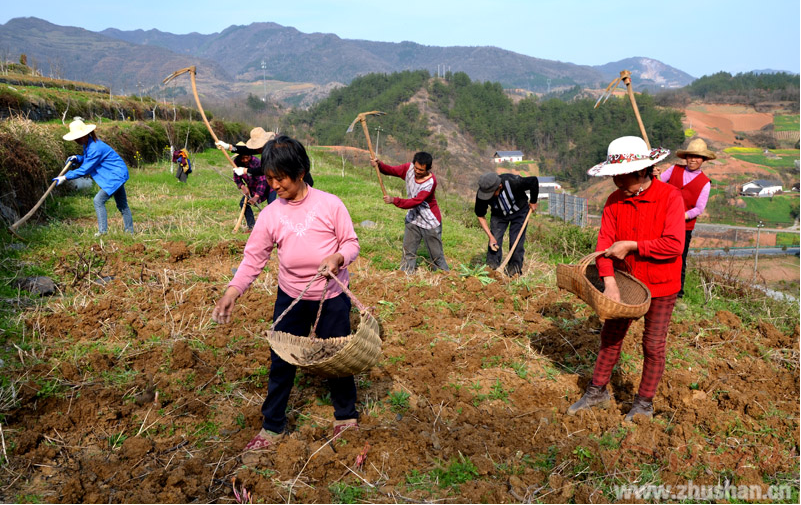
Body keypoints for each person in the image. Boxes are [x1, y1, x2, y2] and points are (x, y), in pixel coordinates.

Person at [211, 135, 360, 451]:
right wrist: (232, 290)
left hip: (331, 297)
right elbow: (254, 258)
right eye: (269, 179)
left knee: (337, 357)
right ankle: (273, 426)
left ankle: (345, 416)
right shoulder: (270, 215)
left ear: (301, 172)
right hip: (291, 298)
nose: (275, 185)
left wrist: (338, 257)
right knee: (281, 361)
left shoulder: (330, 205)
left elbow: (351, 243)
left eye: (281, 178)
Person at [568, 136, 684, 422]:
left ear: (642, 172)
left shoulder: (670, 197)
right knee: (610, 336)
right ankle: (597, 391)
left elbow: (674, 245)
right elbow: (604, 244)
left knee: (653, 345)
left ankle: (643, 403)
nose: (615, 181)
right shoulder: (614, 201)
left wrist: (633, 245)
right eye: (614, 176)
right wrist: (609, 282)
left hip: (662, 284)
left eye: (621, 176)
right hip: (626, 282)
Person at [370, 152, 450, 273]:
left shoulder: (430, 182)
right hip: (413, 218)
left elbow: (415, 201)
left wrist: (394, 200)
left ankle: (445, 275)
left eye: (421, 170)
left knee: (436, 255)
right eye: (416, 168)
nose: (417, 171)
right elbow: (391, 170)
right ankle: (406, 273)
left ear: (428, 169)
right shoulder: (408, 169)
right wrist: (379, 165)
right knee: (408, 251)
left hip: (430, 221)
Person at [54, 118, 134, 236]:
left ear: (86, 135)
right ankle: (129, 232)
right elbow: (89, 160)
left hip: (115, 176)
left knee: (98, 200)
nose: (76, 140)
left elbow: (86, 168)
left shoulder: (95, 148)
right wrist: (78, 158)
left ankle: (103, 232)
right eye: (75, 138)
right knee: (122, 204)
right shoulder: (88, 145)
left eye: (78, 137)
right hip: (116, 174)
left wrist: (65, 177)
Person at [659, 138, 714, 301]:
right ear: (686, 157)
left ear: (703, 160)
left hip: (684, 227)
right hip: (663, 220)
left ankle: (678, 291)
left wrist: (681, 216)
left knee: (679, 257)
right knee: (659, 251)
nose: (693, 160)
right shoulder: (674, 169)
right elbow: (659, 182)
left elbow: (699, 208)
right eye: (690, 156)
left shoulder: (705, 182)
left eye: (697, 157)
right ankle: (659, 284)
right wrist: (655, 175)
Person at [216, 128, 313, 203]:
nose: (256, 150)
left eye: (258, 148)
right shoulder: (267, 147)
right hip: (287, 185)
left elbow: (264, 169)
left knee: (300, 201)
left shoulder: (278, 149)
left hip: (299, 181)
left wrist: (246, 171)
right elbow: (248, 149)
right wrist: (229, 146)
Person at [474, 172, 539, 276]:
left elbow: (533, 181)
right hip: (498, 214)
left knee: (516, 242)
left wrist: (533, 201)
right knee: (494, 241)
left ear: (499, 186)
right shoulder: (483, 193)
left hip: (520, 211)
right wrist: (490, 237)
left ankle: (514, 271)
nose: (487, 197)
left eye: (490, 193)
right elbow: (480, 215)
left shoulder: (514, 182)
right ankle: (492, 268)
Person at [232, 144, 268, 232]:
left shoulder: (256, 162)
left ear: (250, 155)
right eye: (242, 158)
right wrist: (242, 186)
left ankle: (274, 228)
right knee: (243, 204)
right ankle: (252, 227)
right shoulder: (236, 162)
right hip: (251, 187)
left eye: (246, 157)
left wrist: (256, 196)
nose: (245, 160)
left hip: (267, 187)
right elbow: (236, 177)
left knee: (272, 205)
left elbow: (262, 180)